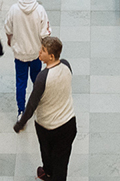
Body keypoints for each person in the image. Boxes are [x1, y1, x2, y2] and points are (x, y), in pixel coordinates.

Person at [14, 35, 77, 181]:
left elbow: (31, 105)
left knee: (48, 154)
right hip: (68, 124)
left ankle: (50, 173)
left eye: (43, 50)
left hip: (47, 127)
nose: (39, 52)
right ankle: (48, 172)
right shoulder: (66, 65)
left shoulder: (42, 78)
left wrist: (20, 123)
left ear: (51, 56)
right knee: (61, 158)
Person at [3, 0, 52, 115]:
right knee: (37, 80)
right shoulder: (40, 10)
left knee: (20, 83)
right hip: (36, 53)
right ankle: (39, 105)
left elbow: (8, 29)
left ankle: (21, 111)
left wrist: (9, 40)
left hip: (20, 53)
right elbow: (45, 33)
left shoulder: (14, 9)